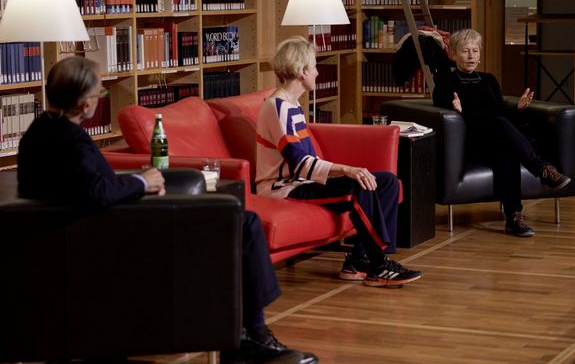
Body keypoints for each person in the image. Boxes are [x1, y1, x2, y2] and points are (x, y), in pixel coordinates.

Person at [17, 56, 318, 364]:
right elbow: (97, 192)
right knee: (245, 224)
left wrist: (138, 182)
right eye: (99, 93)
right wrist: (140, 182)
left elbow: (83, 187)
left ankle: (244, 336)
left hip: (91, 232)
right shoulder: (72, 141)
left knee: (241, 224)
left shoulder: (38, 133)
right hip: (121, 238)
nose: (98, 100)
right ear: (84, 103)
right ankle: (252, 337)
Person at [255, 36, 422, 287]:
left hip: (302, 182)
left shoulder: (292, 105)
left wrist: (345, 172)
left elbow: (307, 161)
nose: (317, 72)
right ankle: (379, 266)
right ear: (302, 71)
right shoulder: (277, 107)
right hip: (285, 189)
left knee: (386, 182)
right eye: (314, 66)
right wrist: (346, 170)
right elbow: (299, 164)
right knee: (357, 187)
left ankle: (358, 261)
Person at [432, 28, 571, 237]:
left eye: (475, 50)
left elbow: (501, 115)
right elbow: (442, 116)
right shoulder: (445, 82)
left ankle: (514, 219)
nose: (471, 56)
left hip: (495, 138)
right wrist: (456, 111)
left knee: (508, 151)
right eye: (465, 51)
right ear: (453, 54)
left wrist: (518, 108)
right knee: (499, 126)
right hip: (470, 141)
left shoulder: (489, 80)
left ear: (480, 54)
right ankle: (541, 168)